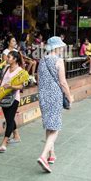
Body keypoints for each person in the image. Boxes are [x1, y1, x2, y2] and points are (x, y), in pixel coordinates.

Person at [37, 36, 73, 172]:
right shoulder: (58, 61)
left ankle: (52, 154)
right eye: (61, 47)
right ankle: (43, 155)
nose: (62, 49)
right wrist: (69, 98)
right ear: (57, 47)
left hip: (43, 96)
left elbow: (38, 80)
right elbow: (63, 82)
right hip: (54, 96)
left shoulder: (42, 60)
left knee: (49, 126)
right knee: (56, 128)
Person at [0, 51, 25, 152]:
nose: (7, 59)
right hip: (4, 97)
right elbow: (3, 83)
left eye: (9, 57)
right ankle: (16, 136)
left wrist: (11, 86)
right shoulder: (6, 69)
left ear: (15, 59)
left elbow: (21, 86)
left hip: (14, 98)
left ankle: (4, 143)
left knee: (9, 120)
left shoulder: (19, 71)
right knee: (9, 117)